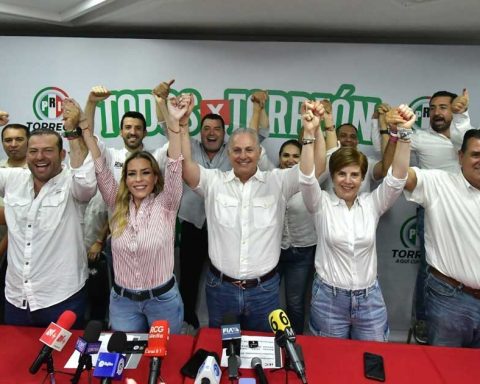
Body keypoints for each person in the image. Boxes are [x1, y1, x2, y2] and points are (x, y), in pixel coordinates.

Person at [179, 92, 309, 331]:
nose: (243, 156)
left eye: (249, 150)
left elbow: (312, 170)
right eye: (236, 150)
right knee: (224, 351)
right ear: (228, 154)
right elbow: (186, 166)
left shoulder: (278, 181)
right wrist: (183, 125)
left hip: (264, 292)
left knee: (261, 353)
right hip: (221, 290)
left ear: (259, 153)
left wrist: (311, 133)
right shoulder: (213, 182)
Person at [153, 81, 273, 333]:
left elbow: (256, 134)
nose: (211, 132)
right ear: (201, 131)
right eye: (206, 128)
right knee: (189, 276)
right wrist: (160, 101)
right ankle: (188, 322)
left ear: (223, 132)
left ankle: (223, 324)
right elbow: (168, 127)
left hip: (227, 228)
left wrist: (259, 106)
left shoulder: (234, 151)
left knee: (224, 276)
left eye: (216, 129)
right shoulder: (190, 146)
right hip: (193, 224)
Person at [299, 101, 415, 341]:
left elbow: (396, 179)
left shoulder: (372, 204)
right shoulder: (320, 204)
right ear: (332, 177)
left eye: (354, 175)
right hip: (328, 299)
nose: (348, 181)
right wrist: (310, 133)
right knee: (330, 368)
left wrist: (404, 134)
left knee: (373, 365)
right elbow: (307, 179)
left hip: (369, 299)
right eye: (341, 174)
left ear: (363, 178)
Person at [82, 92, 186, 334]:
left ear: (155, 176)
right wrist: (86, 128)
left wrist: (174, 124)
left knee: (166, 360)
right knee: (125, 362)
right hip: (123, 304)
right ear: (124, 178)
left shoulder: (167, 203)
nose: (139, 179)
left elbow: (175, 162)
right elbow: (99, 164)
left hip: (163, 303)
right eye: (132, 174)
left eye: (146, 173)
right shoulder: (115, 203)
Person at [381, 89, 473, 344]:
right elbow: (394, 168)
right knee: (432, 267)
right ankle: (423, 319)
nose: (437, 112)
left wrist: (462, 115)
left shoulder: (466, 136)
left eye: (443, 107)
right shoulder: (420, 138)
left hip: (471, 207)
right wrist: (393, 131)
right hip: (435, 206)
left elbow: (463, 139)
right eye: (432, 108)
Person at [0, 99, 96, 328]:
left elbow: (86, 184)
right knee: (16, 362)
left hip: (62, 299)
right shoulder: (13, 179)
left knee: (62, 364)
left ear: (62, 155)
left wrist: (73, 133)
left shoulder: (73, 183)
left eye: (47, 151)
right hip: (16, 299)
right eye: (33, 151)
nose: (39, 157)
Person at [403, 128, 480, 348]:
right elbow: (399, 175)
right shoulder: (439, 183)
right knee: (444, 373)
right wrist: (399, 135)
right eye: (475, 154)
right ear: (460, 157)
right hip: (450, 301)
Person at [277, 139, 316, 334]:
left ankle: (298, 344)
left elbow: (326, 156)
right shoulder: (271, 178)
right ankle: (269, 346)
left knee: (295, 303)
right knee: (267, 301)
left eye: (296, 156)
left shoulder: (311, 181)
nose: (290, 160)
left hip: (302, 252)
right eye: (286, 155)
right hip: (273, 252)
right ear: (279, 158)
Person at [320, 99, 384, 192]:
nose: (348, 139)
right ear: (335, 138)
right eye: (343, 136)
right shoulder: (326, 161)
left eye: (352, 136)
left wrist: (382, 125)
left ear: (357, 141)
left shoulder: (367, 162)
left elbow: (386, 169)